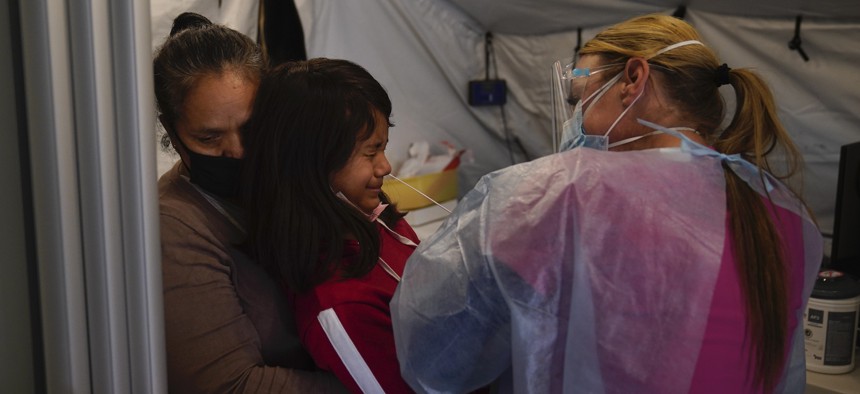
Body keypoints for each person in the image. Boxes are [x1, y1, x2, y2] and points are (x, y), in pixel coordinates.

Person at [390, 13, 822, 394]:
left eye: (580, 99)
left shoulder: (555, 194)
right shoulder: (784, 214)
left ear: (634, 78)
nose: (576, 121)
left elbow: (435, 360)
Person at [154, 12, 341, 392]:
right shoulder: (173, 226)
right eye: (209, 138)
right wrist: (373, 382)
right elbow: (229, 385)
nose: (237, 151)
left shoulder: (286, 178)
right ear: (173, 134)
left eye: (251, 127)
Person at [242, 58, 419, 394]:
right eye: (371, 153)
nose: (386, 165)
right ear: (314, 165)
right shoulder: (338, 306)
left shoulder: (376, 218)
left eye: (383, 147)